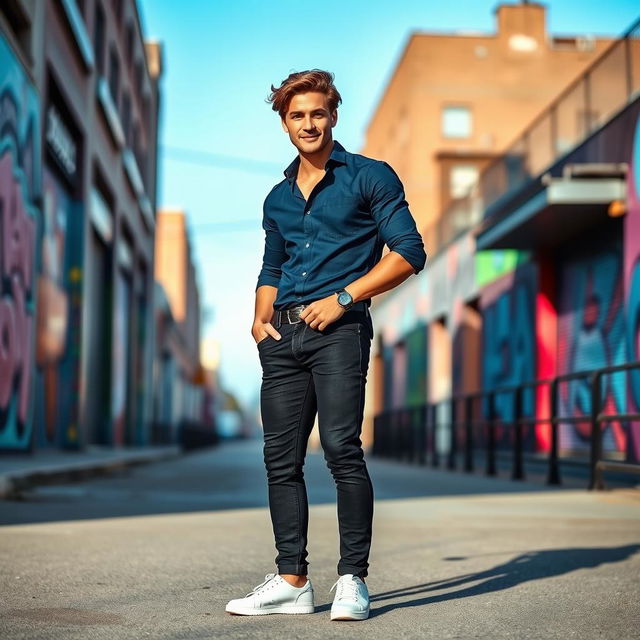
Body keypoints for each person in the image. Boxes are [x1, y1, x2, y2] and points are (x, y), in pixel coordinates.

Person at [225, 69, 426, 621]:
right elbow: (273, 264)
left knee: (341, 448)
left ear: (333, 116)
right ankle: (292, 580)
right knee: (280, 459)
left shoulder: (370, 177)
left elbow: (409, 252)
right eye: (297, 116)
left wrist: (344, 297)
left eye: (317, 113)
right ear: (284, 123)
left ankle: (352, 580)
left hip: (339, 331)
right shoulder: (278, 197)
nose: (308, 124)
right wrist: (259, 315)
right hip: (282, 338)